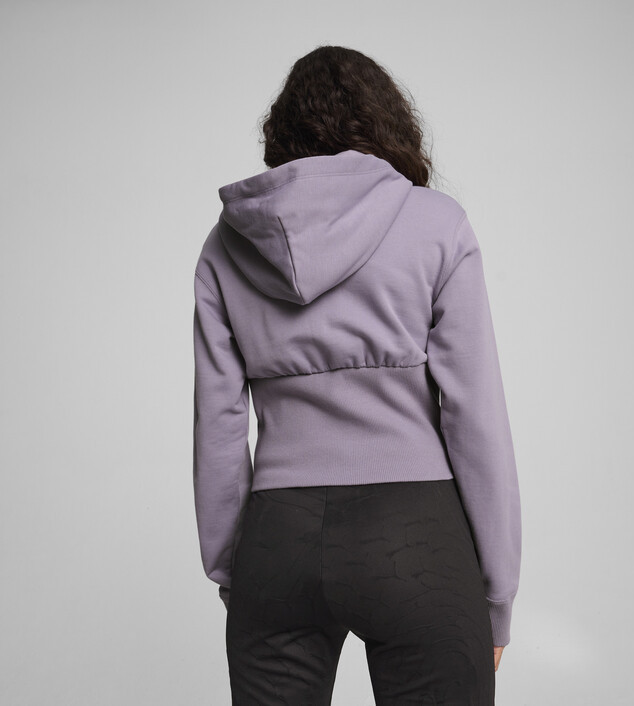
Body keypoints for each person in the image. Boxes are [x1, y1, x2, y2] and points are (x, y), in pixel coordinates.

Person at [192, 44, 522, 705]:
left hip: (277, 539)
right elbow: (474, 416)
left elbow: (217, 425)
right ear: (388, 122)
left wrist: (238, 573)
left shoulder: (227, 242)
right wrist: (497, 593)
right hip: (416, 536)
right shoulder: (436, 224)